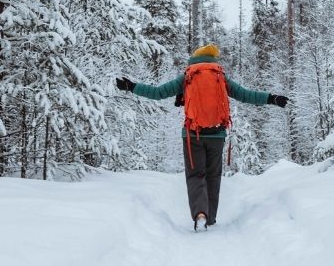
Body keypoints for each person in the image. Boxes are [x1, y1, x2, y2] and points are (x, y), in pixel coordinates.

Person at [115, 44, 289, 230]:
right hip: (217, 135)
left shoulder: (188, 75)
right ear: (213, 59)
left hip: (192, 135)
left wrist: (131, 87)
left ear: (195, 59)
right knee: (213, 176)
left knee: (195, 175)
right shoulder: (220, 76)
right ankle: (211, 217)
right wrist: (272, 98)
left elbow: (158, 93)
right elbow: (246, 95)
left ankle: (200, 213)